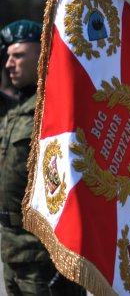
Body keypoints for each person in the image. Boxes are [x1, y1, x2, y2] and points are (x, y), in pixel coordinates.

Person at [0, 20, 85, 295]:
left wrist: (67, 260)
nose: (10, 64)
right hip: (14, 253)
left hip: (43, 257)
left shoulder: (55, 107)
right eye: (7, 56)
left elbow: (75, 189)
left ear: (42, 55)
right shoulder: (17, 109)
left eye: (19, 55)